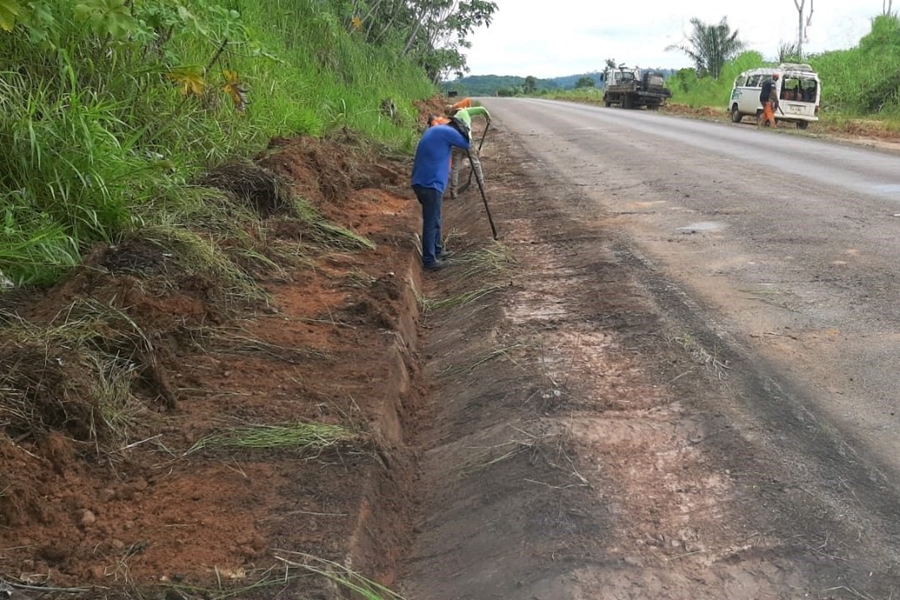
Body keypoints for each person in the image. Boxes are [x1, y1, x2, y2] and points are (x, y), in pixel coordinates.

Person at [411, 122, 470, 271]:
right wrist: (466, 132)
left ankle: (437, 250)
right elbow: (466, 143)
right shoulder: (448, 132)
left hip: (423, 182)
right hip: (430, 184)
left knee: (435, 219)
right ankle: (429, 260)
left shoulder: (437, 130)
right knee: (431, 222)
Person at [445, 100, 491, 199]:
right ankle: (481, 185)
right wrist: (488, 118)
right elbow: (482, 109)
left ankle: (453, 191)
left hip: (455, 144)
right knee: (475, 163)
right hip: (466, 142)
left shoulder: (451, 120)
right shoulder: (463, 112)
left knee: (455, 168)